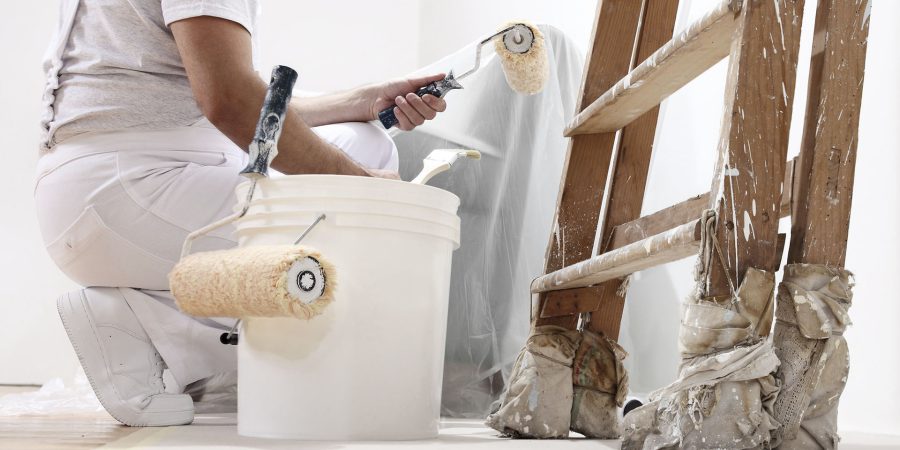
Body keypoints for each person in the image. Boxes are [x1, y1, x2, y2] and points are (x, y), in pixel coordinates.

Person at [35, 0, 446, 427]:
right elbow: (231, 101)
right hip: (129, 191)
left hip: (117, 181)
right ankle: (148, 324)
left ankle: (182, 342)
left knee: (363, 143)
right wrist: (362, 187)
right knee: (354, 227)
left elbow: (235, 96)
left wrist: (362, 101)